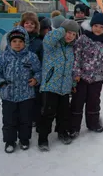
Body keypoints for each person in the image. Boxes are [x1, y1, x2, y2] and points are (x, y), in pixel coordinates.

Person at [0, 26, 41, 153]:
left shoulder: (31, 57)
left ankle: (24, 139)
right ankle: (9, 141)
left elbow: (39, 71)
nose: (17, 44)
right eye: (14, 41)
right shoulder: (4, 57)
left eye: (20, 41)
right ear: (9, 42)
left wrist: (36, 79)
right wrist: (1, 83)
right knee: (9, 120)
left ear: (25, 42)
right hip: (8, 95)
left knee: (26, 119)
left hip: (27, 95)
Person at [70, 12, 103, 138]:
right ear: (91, 26)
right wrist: (76, 73)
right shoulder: (83, 39)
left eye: (101, 27)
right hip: (82, 78)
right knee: (77, 102)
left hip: (97, 79)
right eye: (96, 26)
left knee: (94, 102)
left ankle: (93, 123)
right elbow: (76, 57)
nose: (98, 29)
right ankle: (74, 127)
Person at [38, 19, 79, 151]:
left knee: (63, 113)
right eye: (68, 32)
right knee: (48, 113)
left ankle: (62, 132)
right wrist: (62, 29)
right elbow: (47, 40)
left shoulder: (71, 49)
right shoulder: (52, 45)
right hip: (50, 86)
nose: (70, 36)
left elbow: (72, 68)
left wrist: (72, 83)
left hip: (65, 87)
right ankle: (43, 138)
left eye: (73, 34)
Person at [19, 12, 44, 128]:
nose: (29, 25)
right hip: (18, 77)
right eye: (26, 22)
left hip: (34, 78)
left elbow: (43, 61)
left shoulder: (39, 42)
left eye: (32, 23)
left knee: (35, 101)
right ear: (22, 24)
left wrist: (37, 77)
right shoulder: (15, 39)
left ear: (36, 26)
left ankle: (35, 119)